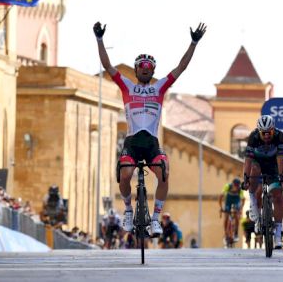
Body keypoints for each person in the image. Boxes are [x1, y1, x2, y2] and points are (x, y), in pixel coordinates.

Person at [94, 21, 207, 237]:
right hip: (132, 142)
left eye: (148, 68)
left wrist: (193, 42)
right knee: (125, 174)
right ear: (136, 70)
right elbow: (108, 67)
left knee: (164, 174)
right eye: (141, 67)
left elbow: (180, 68)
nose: (145, 70)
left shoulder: (159, 87)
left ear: (153, 71)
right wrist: (100, 39)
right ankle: (128, 210)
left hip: (152, 143)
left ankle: (155, 218)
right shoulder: (126, 85)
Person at [242, 115, 283, 249]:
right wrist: (246, 179)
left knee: (278, 196)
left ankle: (278, 233)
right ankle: (253, 202)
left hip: (273, 165)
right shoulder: (253, 137)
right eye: (263, 133)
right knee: (254, 173)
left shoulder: (279, 136)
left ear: (273, 130)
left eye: (269, 133)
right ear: (259, 132)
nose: (266, 136)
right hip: (257, 161)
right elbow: (248, 161)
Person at [218, 178, 245, 243]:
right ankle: (226, 233)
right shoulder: (227, 186)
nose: (236, 187)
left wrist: (240, 209)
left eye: (237, 186)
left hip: (236, 201)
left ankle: (236, 233)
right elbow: (221, 197)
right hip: (228, 201)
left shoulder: (240, 189)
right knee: (226, 217)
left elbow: (243, 200)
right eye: (235, 186)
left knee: (237, 217)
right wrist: (221, 207)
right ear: (232, 184)